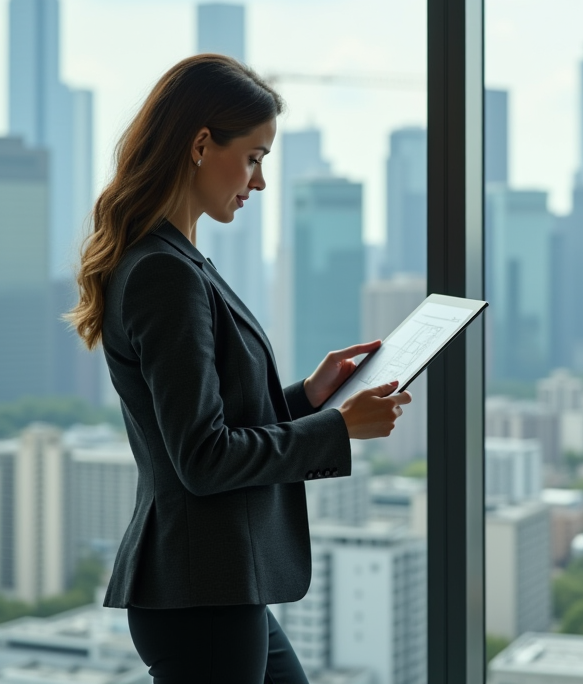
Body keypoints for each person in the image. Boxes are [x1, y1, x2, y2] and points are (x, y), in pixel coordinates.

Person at [67, 54, 410, 683]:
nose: (257, 181)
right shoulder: (165, 273)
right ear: (202, 144)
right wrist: (337, 430)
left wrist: (310, 396)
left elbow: (209, 418)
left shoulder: (174, 260)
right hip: (202, 594)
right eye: (253, 157)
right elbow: (203, 456)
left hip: (215, 587)